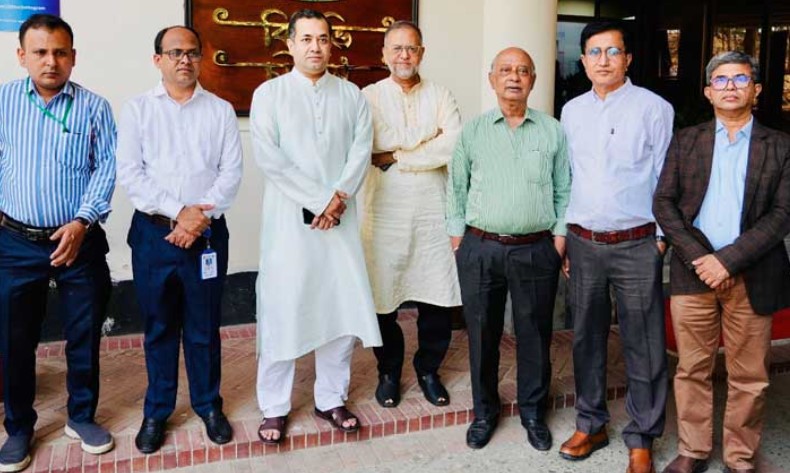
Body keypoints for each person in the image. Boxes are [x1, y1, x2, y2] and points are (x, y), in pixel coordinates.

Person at [250, 9, 382, 445]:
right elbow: (270, 157)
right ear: (289, 44)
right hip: (288, 224)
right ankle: (274, 406)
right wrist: (320, 199)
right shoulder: (270, 94)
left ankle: (331, 398)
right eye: (306, 39)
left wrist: (338, 198)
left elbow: (361, 151)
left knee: (339, 307)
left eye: (323, 39)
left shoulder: (351, 95)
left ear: (332, 45)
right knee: (282, 307)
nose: (315, 47)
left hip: (339, 221)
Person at [654, 51, 790, 473]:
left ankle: (739, 456)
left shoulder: (781, 145)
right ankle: (693, 450)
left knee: (749, 375)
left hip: (753, 274)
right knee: (692, 368)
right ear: (708, 92)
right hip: (693, 272)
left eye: (740, 79)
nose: (731, 86)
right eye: (721, 80)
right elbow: (664, 203)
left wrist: (727, 261)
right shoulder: (686, 140)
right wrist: (702, 259)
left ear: (756, 89)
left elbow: (783, 214)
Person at [116, 25, 243, 454]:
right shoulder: (137, 110)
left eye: (192, 52)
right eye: (175, 53)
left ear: (200, 58)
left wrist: (195, 221)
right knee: (159, 327)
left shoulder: (220, 111)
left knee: (204, 327)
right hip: (154, 235)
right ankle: (157, 411)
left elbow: (230, 174)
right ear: (158, 60)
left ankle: (209, 405)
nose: (184, 60)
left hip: (206, 235)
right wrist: (179, 213)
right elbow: (131, 173)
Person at [0, 14, 116, 472]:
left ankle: (81, 417)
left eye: (60, 52)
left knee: (83, 336)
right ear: (22, 56)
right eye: (41, 52)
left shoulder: (94, 107)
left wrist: (82, 221)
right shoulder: (4, 101)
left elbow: (106, 167)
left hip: (80, 242)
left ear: (73, 56)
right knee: (14, 338)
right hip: (15, 242)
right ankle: (19, 428)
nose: (51, 61)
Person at [558, 20, 674, 473]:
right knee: (585, 339)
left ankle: (642, 436)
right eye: (594, 52)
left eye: (612, 52)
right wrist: (566, 236)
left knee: (644, 343)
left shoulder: (654, 108)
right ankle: (591, 424)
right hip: (584, 243)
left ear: (628, 59)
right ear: (583, 60)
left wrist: (661, 241)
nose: (603, 60)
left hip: (637, 243)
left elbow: (667, 177)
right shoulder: (572, 112)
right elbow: (567, 178)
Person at [447, 47, 570, 451]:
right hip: (480, 247)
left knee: (534, 334)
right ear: (492, 79)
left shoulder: (552, 130)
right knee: (482, 334)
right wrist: (458, 239)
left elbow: (564, 187)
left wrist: (559, 238)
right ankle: (485, 412)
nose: (514, 77)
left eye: (522, 71)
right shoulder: (474, 131)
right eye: (505, 70)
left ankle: (533, 412)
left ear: (533, 79)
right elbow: (456, 187)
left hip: (535, 249)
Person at [359, 20, 462, 409]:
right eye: (397, 48)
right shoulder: (368, 97)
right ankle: (388, 372)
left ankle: (428, 370)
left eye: (412, 48)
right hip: (384, 212)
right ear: (384, 54)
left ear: (422, 53)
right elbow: (371, 143)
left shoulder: (441, 94)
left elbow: (453, 144)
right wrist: (425, 142)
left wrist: (397, 156)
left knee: (436, 299)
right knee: (383, 299)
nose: (404, 55)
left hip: (433, 212)